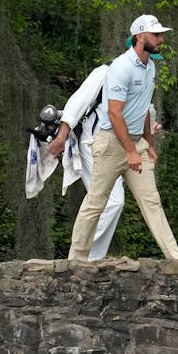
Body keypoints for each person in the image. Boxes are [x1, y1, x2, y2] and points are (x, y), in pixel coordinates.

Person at [67, 15, 178, 262]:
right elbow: (114, 113)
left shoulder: (150, 65)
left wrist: (147, 144)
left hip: (135, 143)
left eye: (161, 35)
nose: (161, 39)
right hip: (111, 143)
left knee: (152, 202)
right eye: (156, 35)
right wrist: (130, 151)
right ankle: (75, 260)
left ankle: (176, 256)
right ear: (140, 37)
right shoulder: (121, 67)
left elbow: (142, 108)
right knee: (96, 203)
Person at [46, 62, 126, 259]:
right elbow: (77, 104)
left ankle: (91, 259)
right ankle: (82, 256)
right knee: (113, 201)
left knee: (111, 203)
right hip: (92, 143)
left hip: (117, 148)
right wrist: (61, 137)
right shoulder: (105, 72)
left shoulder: (141, 78)